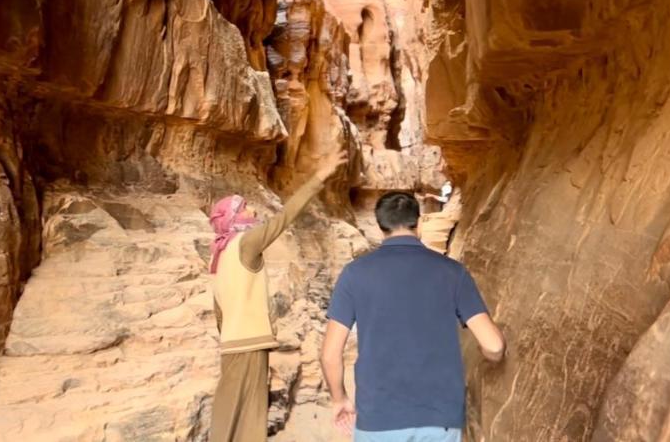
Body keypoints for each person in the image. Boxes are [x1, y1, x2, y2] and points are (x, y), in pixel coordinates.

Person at [321, 191, 505, 442]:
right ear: (418, 224)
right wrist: (489, 358)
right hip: (440, 420)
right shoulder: (452, 272)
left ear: (380, 227)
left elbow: (330, 354)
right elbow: (494, 346)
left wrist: (339, 399)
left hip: (378, 419)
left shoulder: (355, 274)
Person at [209, 149, 347, 442]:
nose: (253, 212)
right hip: (247, 344)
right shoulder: (245, 243)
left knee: (230, 409)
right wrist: (320, 176)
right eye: (245, 208)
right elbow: (283, 218)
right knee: (248, 414)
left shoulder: (219, 256)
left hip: (233, 344)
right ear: (233, 217)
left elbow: (219, 309)